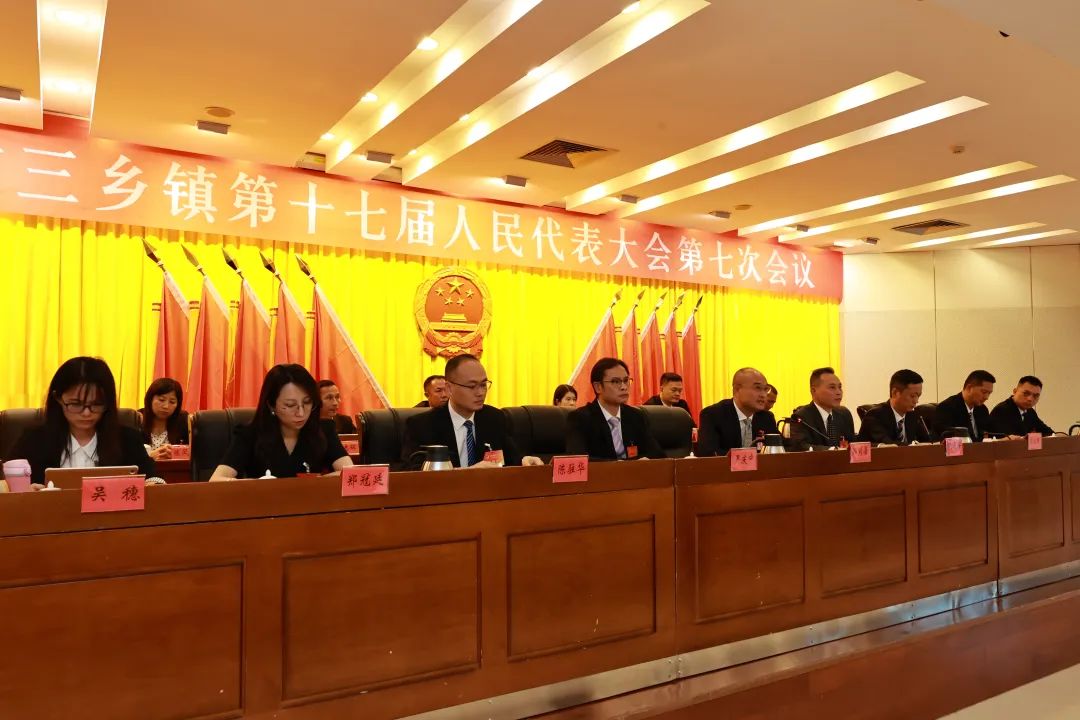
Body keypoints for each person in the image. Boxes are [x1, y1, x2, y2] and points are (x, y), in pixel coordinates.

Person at [11, 356, 156, 485]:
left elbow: (153, 478)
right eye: (76, 404)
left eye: (96, 404)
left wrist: (153, 485)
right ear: (58, 398)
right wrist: (24, 491)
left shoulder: (127, 439)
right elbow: (6, 483)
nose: (87, 413)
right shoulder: (33, 440)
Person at [210, 364, 354, 481]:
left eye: (307, 402)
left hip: (311, 506)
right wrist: (256, 484)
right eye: (290, 405)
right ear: (271, 405)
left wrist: (314, 482)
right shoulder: (249, 434)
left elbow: (350, 474)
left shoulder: (324, 430)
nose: (301, 413)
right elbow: (216, 480)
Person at [401, 354, 542, 469]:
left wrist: (524, 460)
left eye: (483, 385)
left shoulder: (494, 418)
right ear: (449, 388)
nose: (480, 393)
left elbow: (511, 458)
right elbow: (413, 473)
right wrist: (467, 474)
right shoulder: (422, 425)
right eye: (472, 386)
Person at [565, 357, 664, 461]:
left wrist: (641, 461)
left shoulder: (636, 416)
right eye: (615, 382)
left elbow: (658, 454)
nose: (624, 387)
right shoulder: (579, 418)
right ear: (598, 387)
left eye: (626, 380)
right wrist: (620, 465)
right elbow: (578, 460)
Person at [697, 368, 779, 456]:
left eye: (765, 389)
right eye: (757, 388)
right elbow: (708, 453)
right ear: (737, 390)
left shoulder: (766, 418)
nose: (763, 395)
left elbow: (781, 449)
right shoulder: (713, 414)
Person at [856, 369, 934, 445]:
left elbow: (928, 442)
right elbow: (889, 445)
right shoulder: (875, 416)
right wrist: (914, 445)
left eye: (918, 396)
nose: (916, 401)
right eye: (912, 396)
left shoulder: (913, 416)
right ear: (895, 393)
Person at [788, 367, 856, 450]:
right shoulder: (801, 417)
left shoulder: (844, 414)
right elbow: (800, 446)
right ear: (813, 391)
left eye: (840, 387)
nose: (839, 392)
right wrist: (832, 450)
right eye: (832, 387)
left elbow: (853, 444)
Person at [933, 370, 995, 442]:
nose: (986, 397)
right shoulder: (947, 408)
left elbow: (986, 436)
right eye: (984, 392)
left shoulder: (982, 410)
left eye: (989, 393)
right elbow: (945, 440)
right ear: (969, 388)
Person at [140, 377, 189, 461]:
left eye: (172, 402)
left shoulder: (184, 421)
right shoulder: (136, 419)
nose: (166, 406)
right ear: (150, 399)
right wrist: (149, 456)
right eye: (161, 400)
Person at [989, 375, 1054, 437]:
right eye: (1026, 393)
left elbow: (1048, 433)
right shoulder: (1001, 410)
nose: (1030, 399)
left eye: (1035, 396)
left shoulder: (1030, 411)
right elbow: (1009, 439)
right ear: (1015, 391)